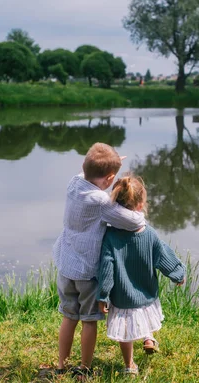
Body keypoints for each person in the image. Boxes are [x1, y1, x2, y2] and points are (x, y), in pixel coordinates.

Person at [52, 143, 146, 378]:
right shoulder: (100, 201)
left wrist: (109, 162)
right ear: (111, 178)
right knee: (89, 321)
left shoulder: (74, 183)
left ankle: (61, 365)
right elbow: (132, 222)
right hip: (87, 271)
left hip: (65, 265)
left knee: (69, 317)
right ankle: (84, 368)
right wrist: (141, 214)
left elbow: (91, 168)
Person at [97, 176, 186, 376]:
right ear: (141, 204)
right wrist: (178, 274)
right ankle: (148, 338)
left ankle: (129, 366)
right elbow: (163, 256)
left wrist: (103, 296)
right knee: (144, 316)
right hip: (146, 293)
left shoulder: (110, 236)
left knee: (126, 331)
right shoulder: (149, 234)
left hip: (122, 297)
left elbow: (106, 268)